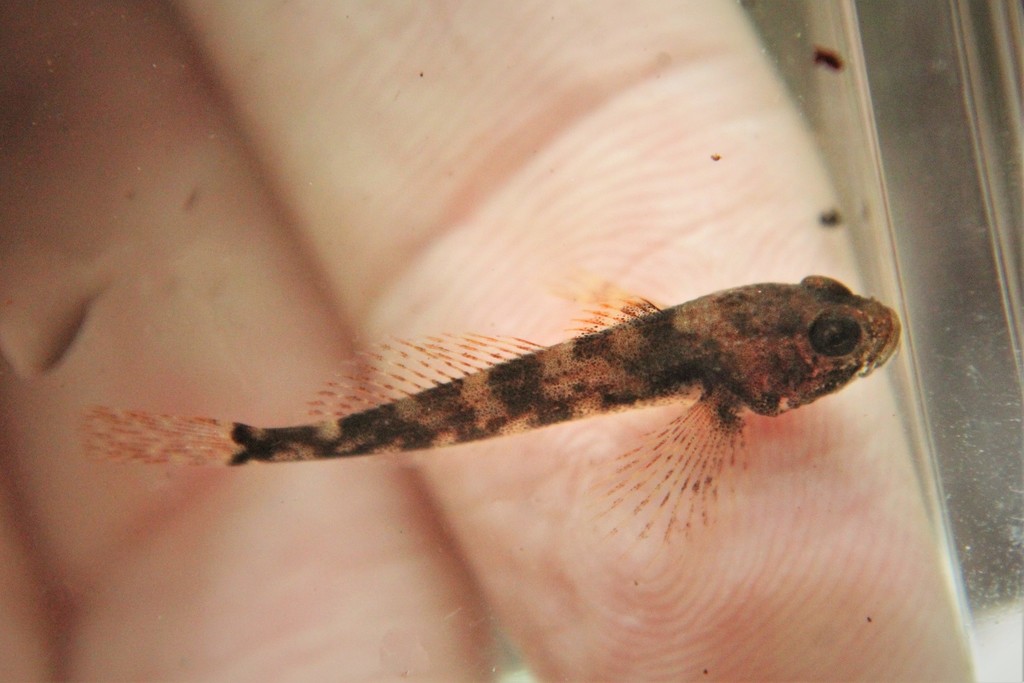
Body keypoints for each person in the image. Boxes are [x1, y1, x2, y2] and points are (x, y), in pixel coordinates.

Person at [0, 2, 970, 679]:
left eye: (830, 329)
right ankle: (253, 440)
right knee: (393, 421)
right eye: (832, 333)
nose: (853, 342)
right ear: (757, 359)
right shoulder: (718, 381)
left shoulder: (717, 355)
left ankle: (252, 440)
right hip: (461, 396)